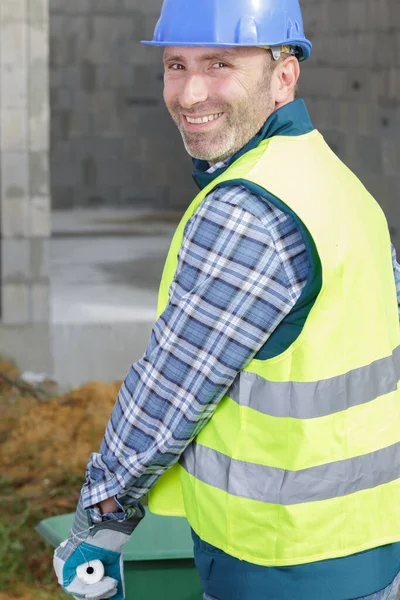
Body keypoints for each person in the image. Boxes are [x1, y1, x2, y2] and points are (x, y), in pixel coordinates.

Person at [54, 0, 400, 598]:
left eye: (219, 65)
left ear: (284, 74)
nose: (189, 95)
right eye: (176, 65)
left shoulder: (248, 212)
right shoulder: (334, 181)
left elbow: (170, 392)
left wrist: (102, 519)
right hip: (365, 542)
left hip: (276, 558)